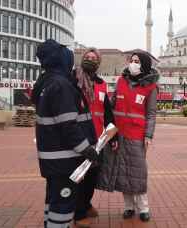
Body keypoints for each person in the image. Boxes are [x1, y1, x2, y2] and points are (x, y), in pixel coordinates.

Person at [32, 39, 98, 228]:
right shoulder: (61, 85)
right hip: (64, 161)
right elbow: (68, 124)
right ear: (60, 59)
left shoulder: (47, 83)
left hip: (54, 160)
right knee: (63, 202)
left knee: (54, 201)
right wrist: (87, 149)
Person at [98, 52, 158, 222]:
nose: (133, 64)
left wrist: (148, 135)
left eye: (137, 61)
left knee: (138, 172)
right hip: (119, 134)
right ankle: (128, 206)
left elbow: (151, 114)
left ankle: (144, 208)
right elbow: (112, 104)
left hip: (137, 135)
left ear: (144, 65)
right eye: (131, 61)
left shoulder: (151, 87)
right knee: (122, 171)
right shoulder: (121, 81)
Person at [72, 48, 117, 228]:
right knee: (80, 176)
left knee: (93, 175)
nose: (90, 60)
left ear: (98, 62)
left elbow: (107, 112)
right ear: (82, 60)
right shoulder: (75, 81)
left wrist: (113, 137)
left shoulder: (101, 84)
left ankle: (86, 203)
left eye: (94, 58)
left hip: (98, 138)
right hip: (80, 138)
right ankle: (79, 213)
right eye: (87, 57)